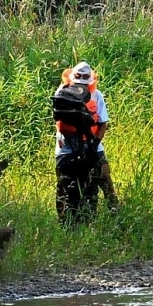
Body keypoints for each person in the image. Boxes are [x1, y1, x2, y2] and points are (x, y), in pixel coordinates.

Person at [52, 61, 117, 222]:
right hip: (67, 151)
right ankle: (67, 224)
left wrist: (93, 145)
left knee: (102, 184)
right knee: (66, 189)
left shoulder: (94, 95)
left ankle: (113, 215)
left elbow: (102, 125)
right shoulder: (62, 93)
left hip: (90, 148)